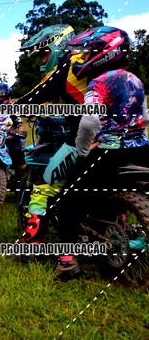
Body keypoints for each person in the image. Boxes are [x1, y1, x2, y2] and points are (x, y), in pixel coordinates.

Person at [52, 27, 149, 279]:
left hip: (110, 152)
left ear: (104, 53)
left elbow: (89, 122)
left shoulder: (99, 82)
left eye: (87, 53)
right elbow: (145, 117)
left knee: (67, 198)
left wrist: (83, 148)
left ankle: (67, 261)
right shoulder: (135, 79)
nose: (83, 58)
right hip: (141, 149)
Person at [15, 24, 81, 245]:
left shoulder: (65, 70)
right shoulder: (87, 67)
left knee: (43, 186)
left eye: (44, 54)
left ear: (58, 47)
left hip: (83, 140)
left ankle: (32, 244)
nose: (41, 61)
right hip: (122, 139)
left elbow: (33, 97)